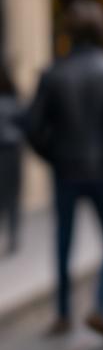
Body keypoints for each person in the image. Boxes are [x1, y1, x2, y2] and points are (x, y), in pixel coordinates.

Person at [24, 0, 103, 342]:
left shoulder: (53, 74)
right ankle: (101, 307)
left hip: (67, 170)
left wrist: (54, 156)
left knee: (63, 243)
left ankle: (63, 312)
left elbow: (34, 127)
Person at [0, 60, 24, 255]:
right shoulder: (14, 99)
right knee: (12, 197)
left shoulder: (12, 99)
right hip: (11, 152)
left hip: (8, 150)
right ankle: (13, 236)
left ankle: (12, 236)